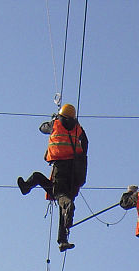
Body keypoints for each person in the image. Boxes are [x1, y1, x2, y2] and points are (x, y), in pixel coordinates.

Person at [18, 103, 88, 252]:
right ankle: (62, 240)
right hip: (75, 171)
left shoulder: (55, 124)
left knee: (60, 195)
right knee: (62, 199)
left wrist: (54, 119)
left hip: (61, 169)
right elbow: (85, 141)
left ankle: (27, 188)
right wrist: (82, 155)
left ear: (61, 115)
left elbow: (42, 128)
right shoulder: (77, 128)